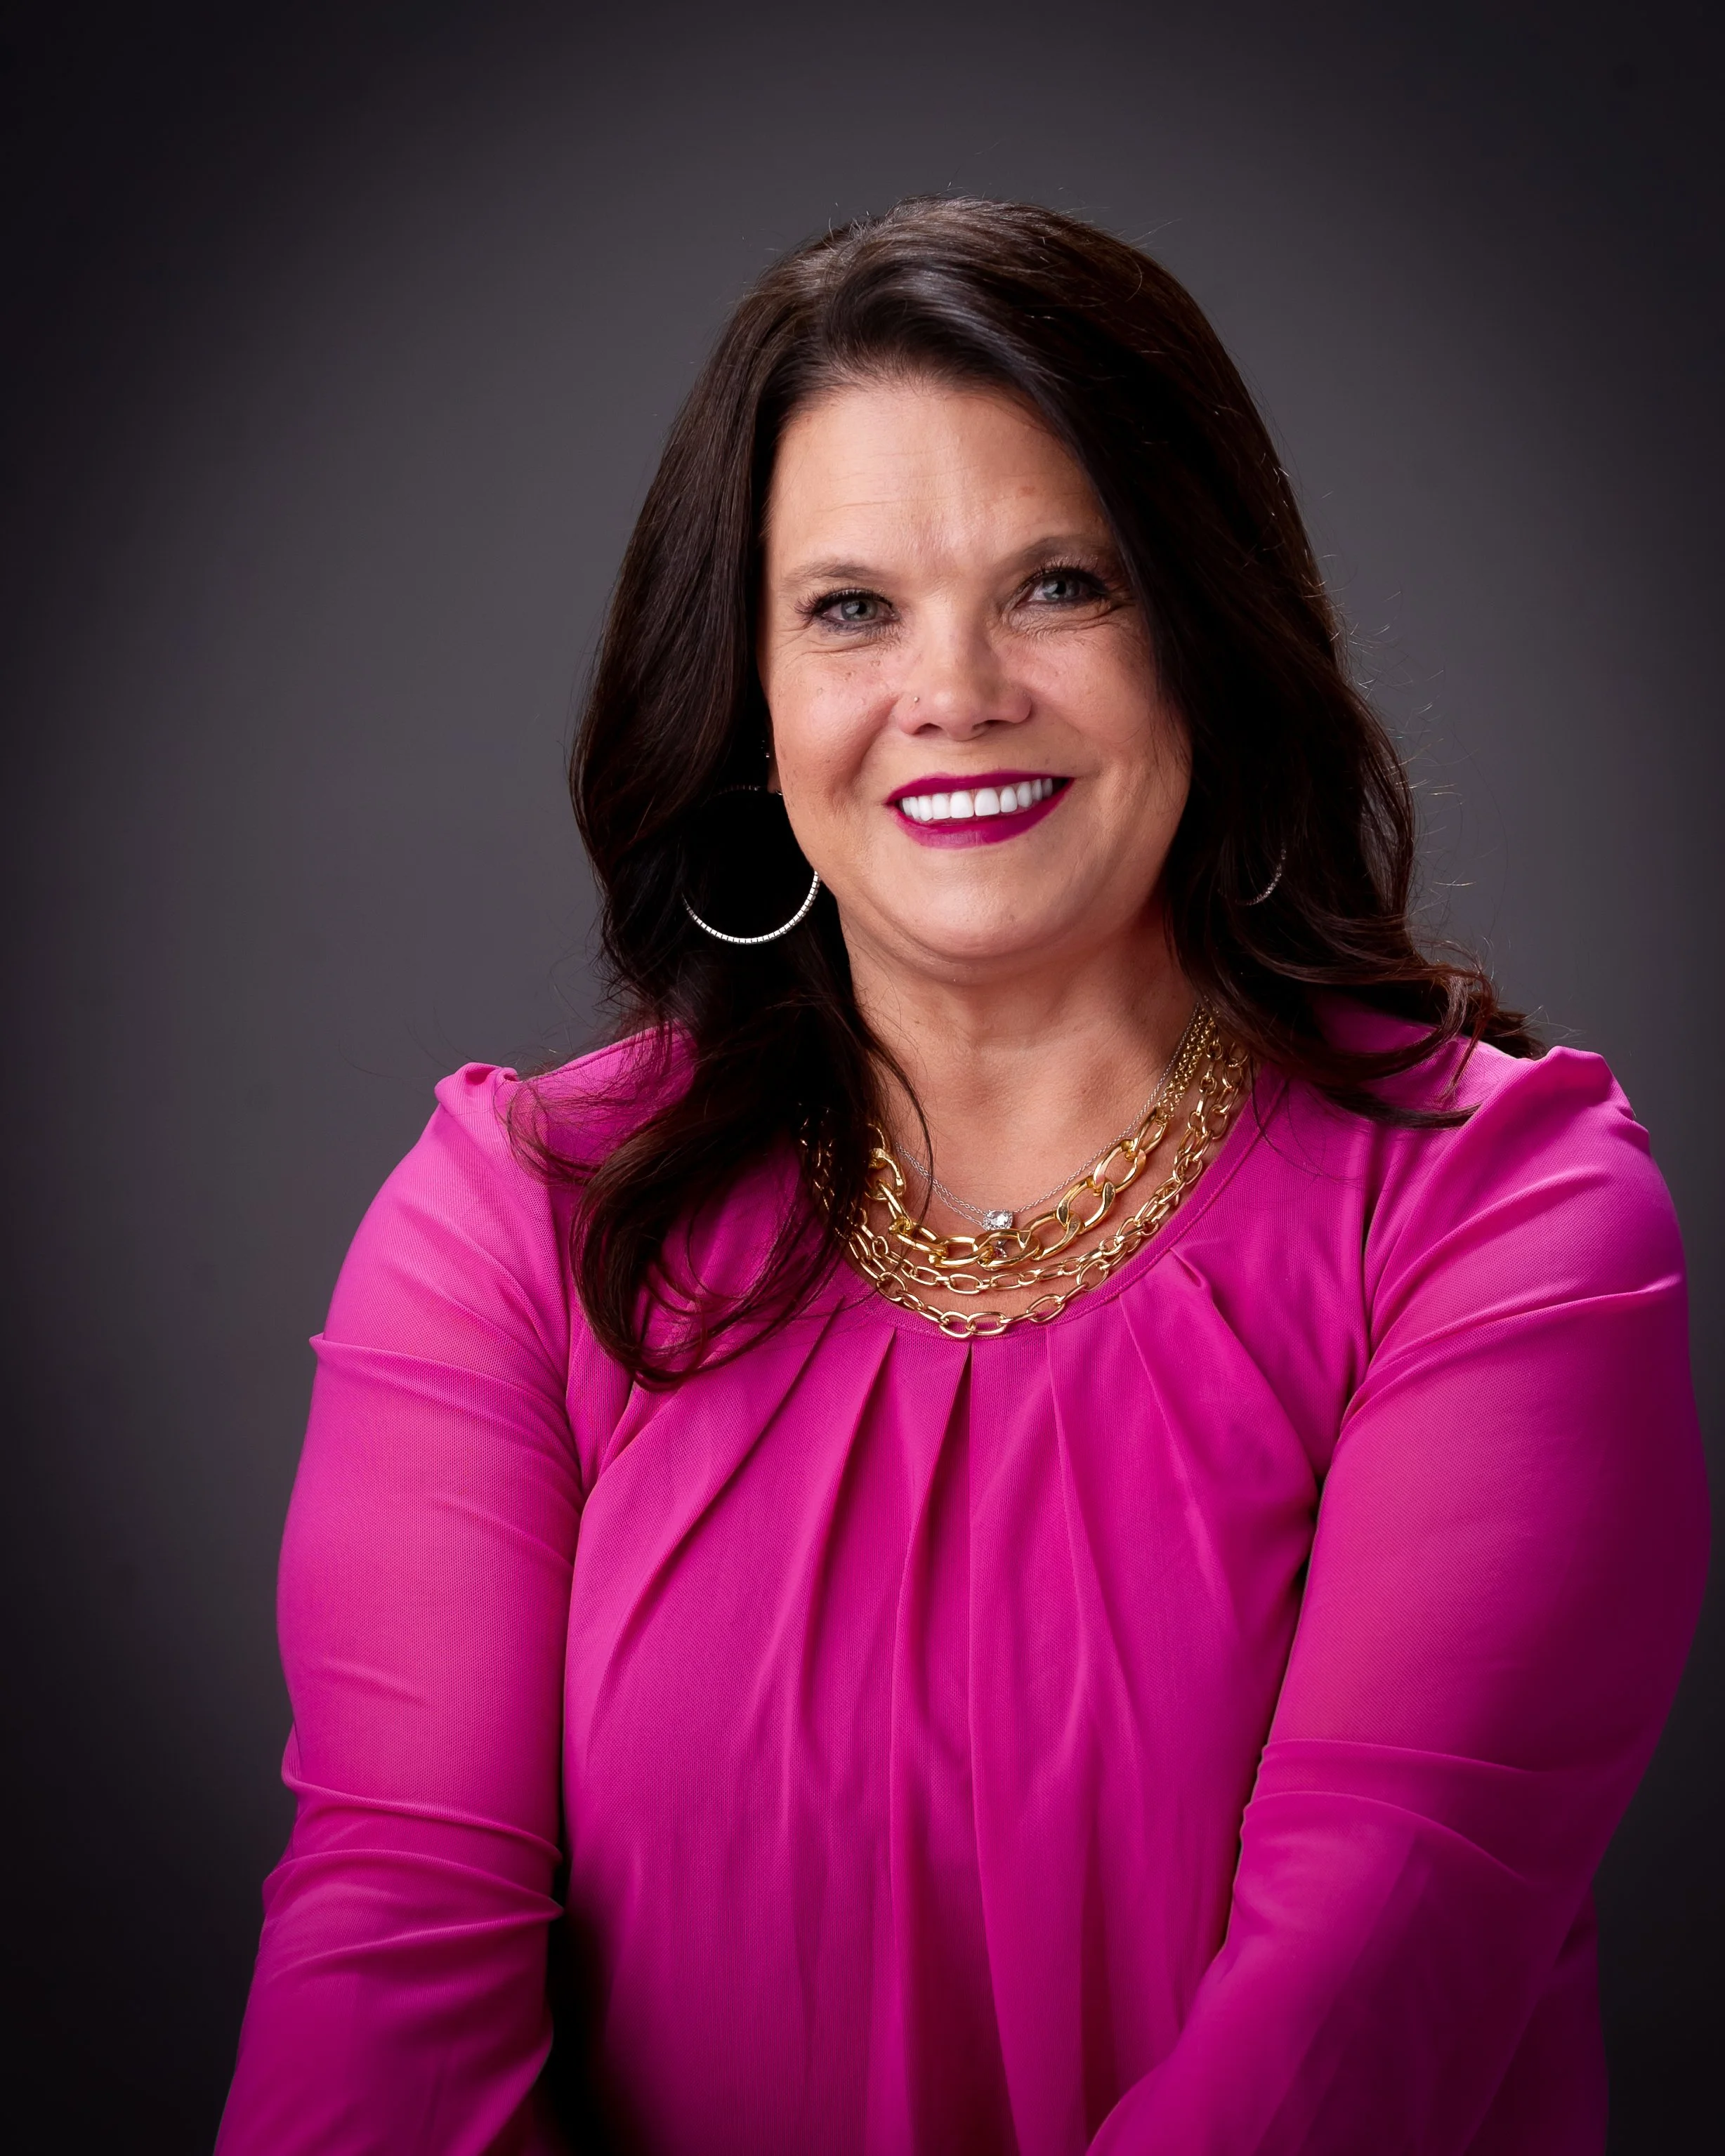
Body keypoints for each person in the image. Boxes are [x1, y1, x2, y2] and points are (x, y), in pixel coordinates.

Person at [216, 197, 1706, 2155]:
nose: (960, 688)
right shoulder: (516, 1222)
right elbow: (389, 1985)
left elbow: (1363, 1998)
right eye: (852, 608)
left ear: (1207, 625)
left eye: (1062, 585)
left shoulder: (1500, 1219)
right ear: (745, 691)